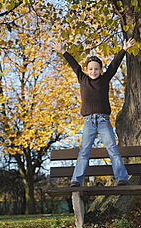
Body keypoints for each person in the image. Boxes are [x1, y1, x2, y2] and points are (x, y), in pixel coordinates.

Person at [53, 38, 135, 187]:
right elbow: (74, 64)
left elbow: (114, 65)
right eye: (90, 69)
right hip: (89, 122)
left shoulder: (105, 79)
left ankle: (122, 178)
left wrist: (124, 49)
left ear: (100, 70)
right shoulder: (82, 78)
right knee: (84, 152)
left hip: (104, 121)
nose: (93, 71)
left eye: (96, 69)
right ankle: (76, 180)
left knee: (112, 149)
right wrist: (63, 51)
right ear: (86, 70)